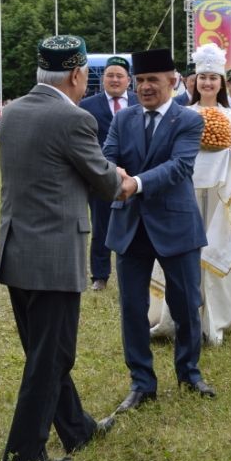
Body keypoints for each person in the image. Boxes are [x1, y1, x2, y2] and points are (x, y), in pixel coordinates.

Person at [0, 35, 123, 461]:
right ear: (76, 74)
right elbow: (106, 183)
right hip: (53, 257)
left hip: (16, 252)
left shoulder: (12, 113)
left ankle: (77, 429)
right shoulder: (73, 120)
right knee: (51, 358)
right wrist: (123, 176)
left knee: (43, 352)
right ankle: (23, 458)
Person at [103, 47, 215, 406]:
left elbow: (180, 166)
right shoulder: (124, 119)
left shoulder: (189, 119)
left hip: (176, 226)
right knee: (133, 309)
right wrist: (114, 173)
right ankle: (141, 382)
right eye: (140, 81)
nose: (145, 87)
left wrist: (133, 183)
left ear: (173, 81)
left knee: (185, 305)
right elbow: (106, 156)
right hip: (130, 226)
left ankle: (189, 372)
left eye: (152, 80)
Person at [150, 43, 231, 344]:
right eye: (202, 78)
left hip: (218, 195)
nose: (207, 83)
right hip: (185, 193)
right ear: (194, 81)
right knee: (182, 253)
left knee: (211, 249)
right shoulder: (181, 114)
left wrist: (223, 153)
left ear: (221, 83)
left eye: (213, 78)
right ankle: (175, 316)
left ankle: (213, 318)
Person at [79, 56, 138, 291]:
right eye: (110, 75)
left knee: (135, 223)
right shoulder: (87, 105)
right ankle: (100, 275)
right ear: (103, 78)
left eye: (119, 75)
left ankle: (134, 271)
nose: (114, 79)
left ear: (128, 80)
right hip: (100, 174)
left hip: (135, 174)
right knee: (101, 225)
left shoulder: (139, 102)